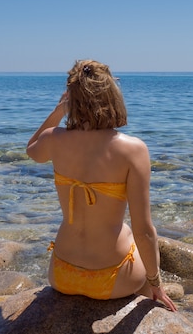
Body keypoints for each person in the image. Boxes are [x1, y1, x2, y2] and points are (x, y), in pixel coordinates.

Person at [26, 59, 177, 312]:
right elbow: (145, 231)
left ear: (71, 98)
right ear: (112, 98)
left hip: (62, 275)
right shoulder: (133, 149)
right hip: (114, 280)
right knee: (129, 231)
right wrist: (156, 282)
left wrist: (58, 111)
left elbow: (31, 150)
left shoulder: (54, 139)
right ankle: (147, 296)